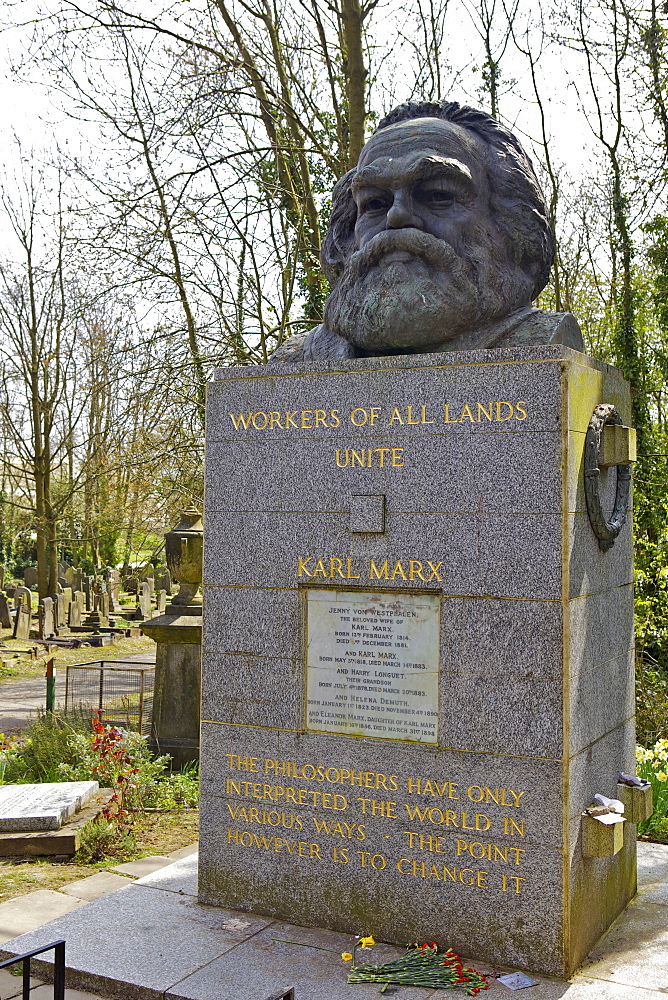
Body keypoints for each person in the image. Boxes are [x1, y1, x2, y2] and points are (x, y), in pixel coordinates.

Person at [270, 100, 583, 362]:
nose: (397, 215)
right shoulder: (298, 359)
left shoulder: (541, 346)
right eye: (375, 202)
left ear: (509, 226)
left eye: (437, 195)